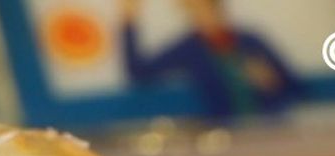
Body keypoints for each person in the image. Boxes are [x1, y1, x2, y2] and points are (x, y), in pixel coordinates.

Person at [120, 0, 303, 119]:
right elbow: (139, 73)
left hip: (271, 129)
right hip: (226, 133)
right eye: (191, 10)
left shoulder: (252, 41)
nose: (200, 16)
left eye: (204, 7)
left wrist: (272, 82)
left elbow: (298, 91)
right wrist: (130, 21)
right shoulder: (189, 48)